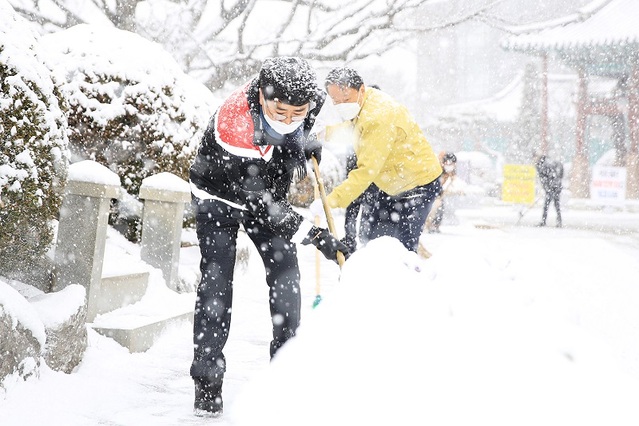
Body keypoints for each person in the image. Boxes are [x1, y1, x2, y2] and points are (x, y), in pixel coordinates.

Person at [189, 56, 350, 417]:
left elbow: (297, 132)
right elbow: (262, 207)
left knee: (286, 276)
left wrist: (304, 141)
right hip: (218, 193)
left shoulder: (306, 101)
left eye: (298, 112)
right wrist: (318, 237)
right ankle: (207, 383)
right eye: (280, 111)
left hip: (265, 193)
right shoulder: (235, 123)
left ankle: (284, 374)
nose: (288, 119)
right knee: (217, 279)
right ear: (262, 95)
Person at [312, 67, 443, 253]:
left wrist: (330, 201)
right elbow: (355, 129)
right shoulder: (366, 102)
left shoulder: (378, 117)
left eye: (346, 99)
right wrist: (325, 133)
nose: (341, 104)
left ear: (361, 90)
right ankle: (378, 276)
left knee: (400, 248)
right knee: (375, 242)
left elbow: (366, 172)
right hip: (393, 183)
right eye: (336, 101)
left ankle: (408, 277)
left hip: (418, 184)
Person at [425, 151, 457, 233]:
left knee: (440, 207)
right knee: (432, 208)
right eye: (448, 164)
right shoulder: (436, 169)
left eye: (452, 165)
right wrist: (437, 192)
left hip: (438, 193)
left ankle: (435, 225)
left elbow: (450, 181)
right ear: (443, 163)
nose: (450, 167)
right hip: (430, 192)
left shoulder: (450, 171)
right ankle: (427, 225)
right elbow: (434, 184)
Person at [534, 154, 563, 228]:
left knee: (548, 205)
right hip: (555, 186)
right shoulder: (546, 163)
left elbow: (546, 178)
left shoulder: (542, 166)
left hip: (553, 187)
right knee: (555, 205)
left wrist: (548, 188)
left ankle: (544, 221)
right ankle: (558, 221)